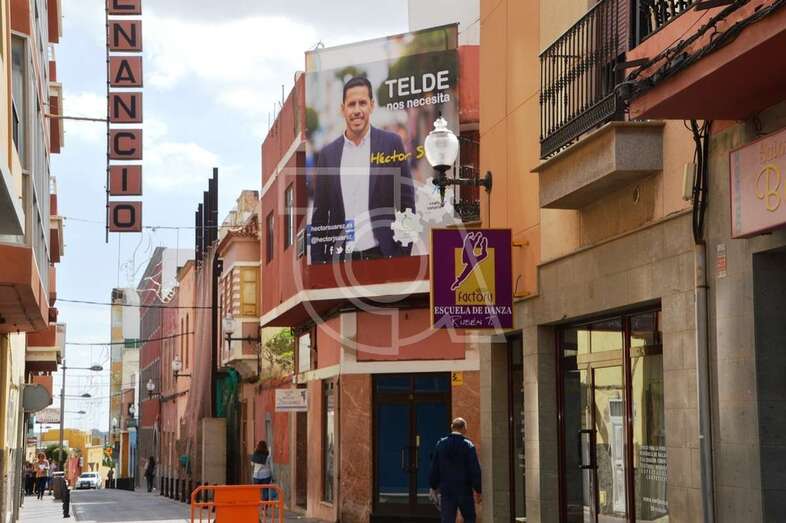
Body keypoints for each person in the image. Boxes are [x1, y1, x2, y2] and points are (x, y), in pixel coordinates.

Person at [310, 76, 416, 263]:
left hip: (384, 256)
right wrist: (320, 265)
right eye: (351, 104)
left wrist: (402, 255)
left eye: (362, 103)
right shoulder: (328, 156)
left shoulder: (391, 144)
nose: (357, 110)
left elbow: (407, 204)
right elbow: (319, 217)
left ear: (371, 105)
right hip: (341, 260)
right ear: (343, 109)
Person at [428, 417, 482, 523]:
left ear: (452, 428)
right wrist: (478, 489)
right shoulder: (468, 445)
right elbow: (474, 469)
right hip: (464, 490)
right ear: (464, 429)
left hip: (447, 489)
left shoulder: (441, 444)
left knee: (447, 519)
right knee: (469, 518)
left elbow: (435, 467)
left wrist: (433, 485)